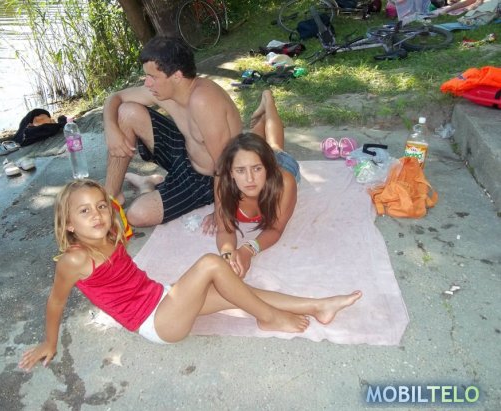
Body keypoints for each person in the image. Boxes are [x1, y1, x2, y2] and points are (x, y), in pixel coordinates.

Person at [18, 180, 362, 371]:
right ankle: (269, 317)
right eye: (84, 211)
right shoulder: (74, 259)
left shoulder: (110, 234)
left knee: (237, 292)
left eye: (101, 206)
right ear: (68, 224)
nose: (97, 215)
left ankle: (318, 305)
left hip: (162, 297)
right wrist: (50, 342)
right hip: (156, 323)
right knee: (211, 264)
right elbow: (55, 302)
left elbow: (125, 277)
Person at [103, 36, 242, 227]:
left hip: (207, 178)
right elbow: (115, 97)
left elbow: (224, 163)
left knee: (138, 215)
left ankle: (147, 185)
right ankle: (110, 197)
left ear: (176, 76)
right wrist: (111, 129)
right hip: (185, 151)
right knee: (126, 112)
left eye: (153, 77)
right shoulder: (166, 90)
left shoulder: (203, 100)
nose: (147, 83)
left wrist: (221, 210)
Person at [211, 90, 300, 278]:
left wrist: (247, 250)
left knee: (275, 147)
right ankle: (261, 119)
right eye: (240, 171)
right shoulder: (222, 178)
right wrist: (227, 256)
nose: (250, 179)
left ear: (267, 168)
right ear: (231, 172)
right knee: (248, 145)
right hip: (255, 157)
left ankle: (269, 102)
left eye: (257, 169)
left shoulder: (285, 182)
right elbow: (224, 229)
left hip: (282, 165)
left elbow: (275, 228)